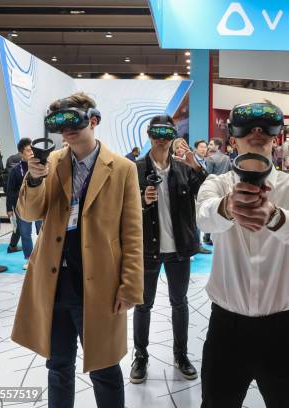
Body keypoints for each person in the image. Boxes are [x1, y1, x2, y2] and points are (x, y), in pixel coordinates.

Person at [11, 92, 144, 408]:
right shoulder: (51, 163)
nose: (67, 130)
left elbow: (132, 232)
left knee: (105, 367)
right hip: (53, 282)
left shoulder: (123, 168)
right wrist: (33, 180)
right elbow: (29, 214)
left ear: (93, 120)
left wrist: (130, 286)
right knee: (57, 366)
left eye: (74, 121)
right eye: (60, 124)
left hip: (99, 283)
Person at [196, 102, 289, 407]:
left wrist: (275, 216)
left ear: (276, 137)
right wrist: (228, 206)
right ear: (232, 138)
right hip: (226, 328)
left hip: (282, 329)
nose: (257, 132)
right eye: (248, 126)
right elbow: (204, 218)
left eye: (266, 127)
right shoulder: (216, 183)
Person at [130, 116, 207, 384]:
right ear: (149, 134)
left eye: (166, 132)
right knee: (143, 305)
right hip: (147, 249)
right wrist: (141, 199)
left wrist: (195, 164)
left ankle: (181, 355)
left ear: (174, 135)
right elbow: (121, 208)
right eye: (156, 132)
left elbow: (207, 191)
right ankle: (140, 356)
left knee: (180, 303)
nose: (161, 137)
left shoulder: (185, 168)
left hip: (179, 250)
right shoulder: (134, 169)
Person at [6, 138, 41, 270]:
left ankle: (43, 256)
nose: (31, 152)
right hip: (22, 206)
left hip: (38, 204)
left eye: (32, 149)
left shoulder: (39, 166)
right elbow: (9, 189)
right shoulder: (16, 170)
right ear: (21, 153)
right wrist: (9, 208)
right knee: (25, 233)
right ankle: (29, 259)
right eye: (28, 150)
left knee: (42, 231)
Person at [191, 140, 213, 255]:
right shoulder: (192, 161)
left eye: (205, 147)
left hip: (203, 195)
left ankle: (197, 244)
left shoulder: (206, 161)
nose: (204, 149)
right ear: (196, 149)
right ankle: (196, 245)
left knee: (199, 219)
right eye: (201, 147)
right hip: (194, 195)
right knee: (195, 220)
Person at [4, 150, 23, 253]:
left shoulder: (10, 160)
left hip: (16, 199)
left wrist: (8, 207)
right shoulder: (18, 168)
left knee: (20, 224)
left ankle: (12, 245)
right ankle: (12, 245)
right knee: (21, 225)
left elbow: (9, 190)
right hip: (21, 199)